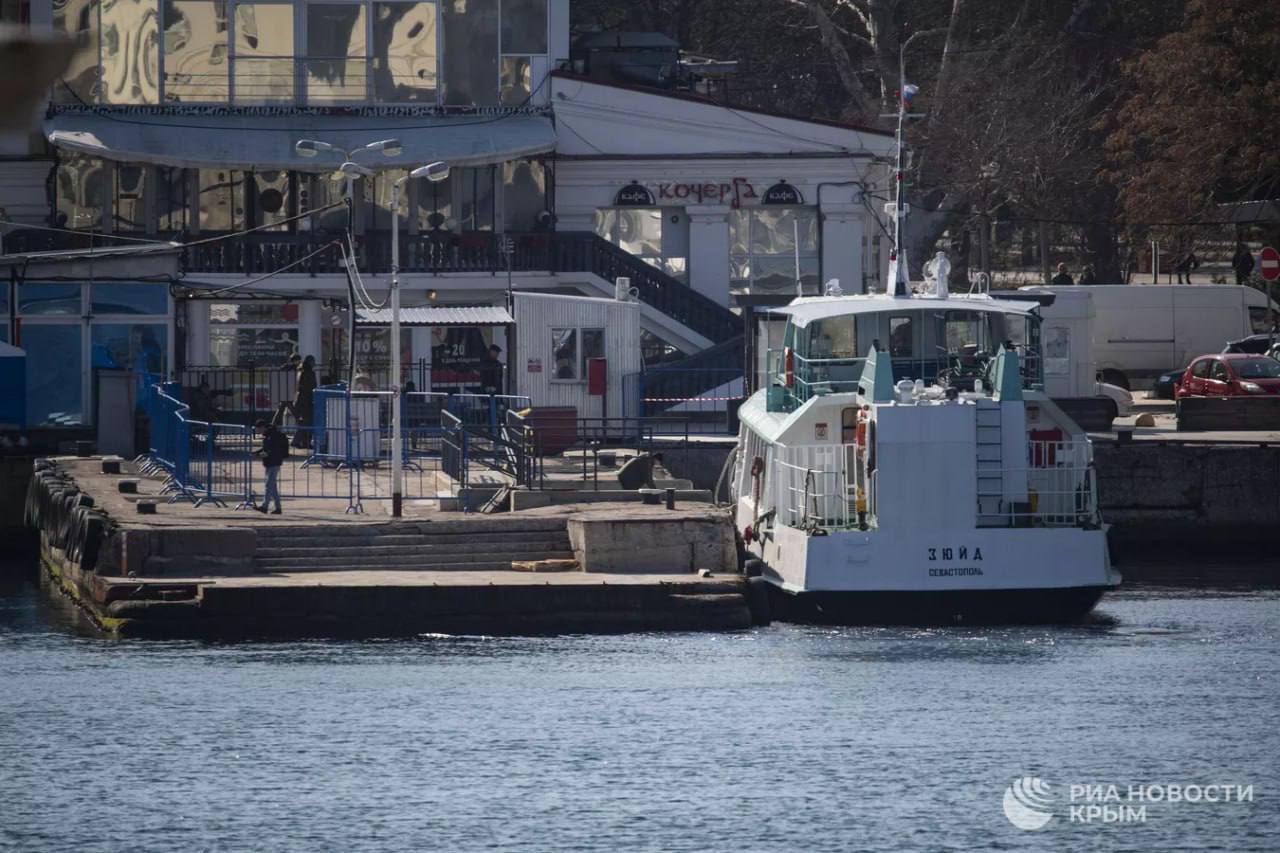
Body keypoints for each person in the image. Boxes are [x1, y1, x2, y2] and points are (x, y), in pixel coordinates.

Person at [254, 419, 289, 515]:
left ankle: (264, 506)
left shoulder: (272, 436)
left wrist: (263, 454)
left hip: (274, 462)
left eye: (257, 429)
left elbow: (273, 450)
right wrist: (257, 453)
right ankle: (278, 508)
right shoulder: (269, 435)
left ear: (262, 427)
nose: (257, 431)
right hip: (270, 463)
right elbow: (267, 448)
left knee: (268, 485)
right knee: (272, 487)